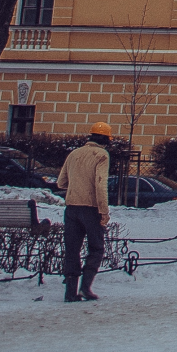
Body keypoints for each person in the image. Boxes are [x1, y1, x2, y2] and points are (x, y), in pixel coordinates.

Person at [58, 122, 115, 302]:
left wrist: (76, 186)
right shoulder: (101, 155)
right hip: (91, 209)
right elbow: (100, 185)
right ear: (106, 140)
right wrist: (104, 211)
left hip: (71, 208)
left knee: (72, 250)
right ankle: (85, 288)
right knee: (96, 248)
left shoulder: (73, 154)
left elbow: (61, 183)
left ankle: (70, 292)